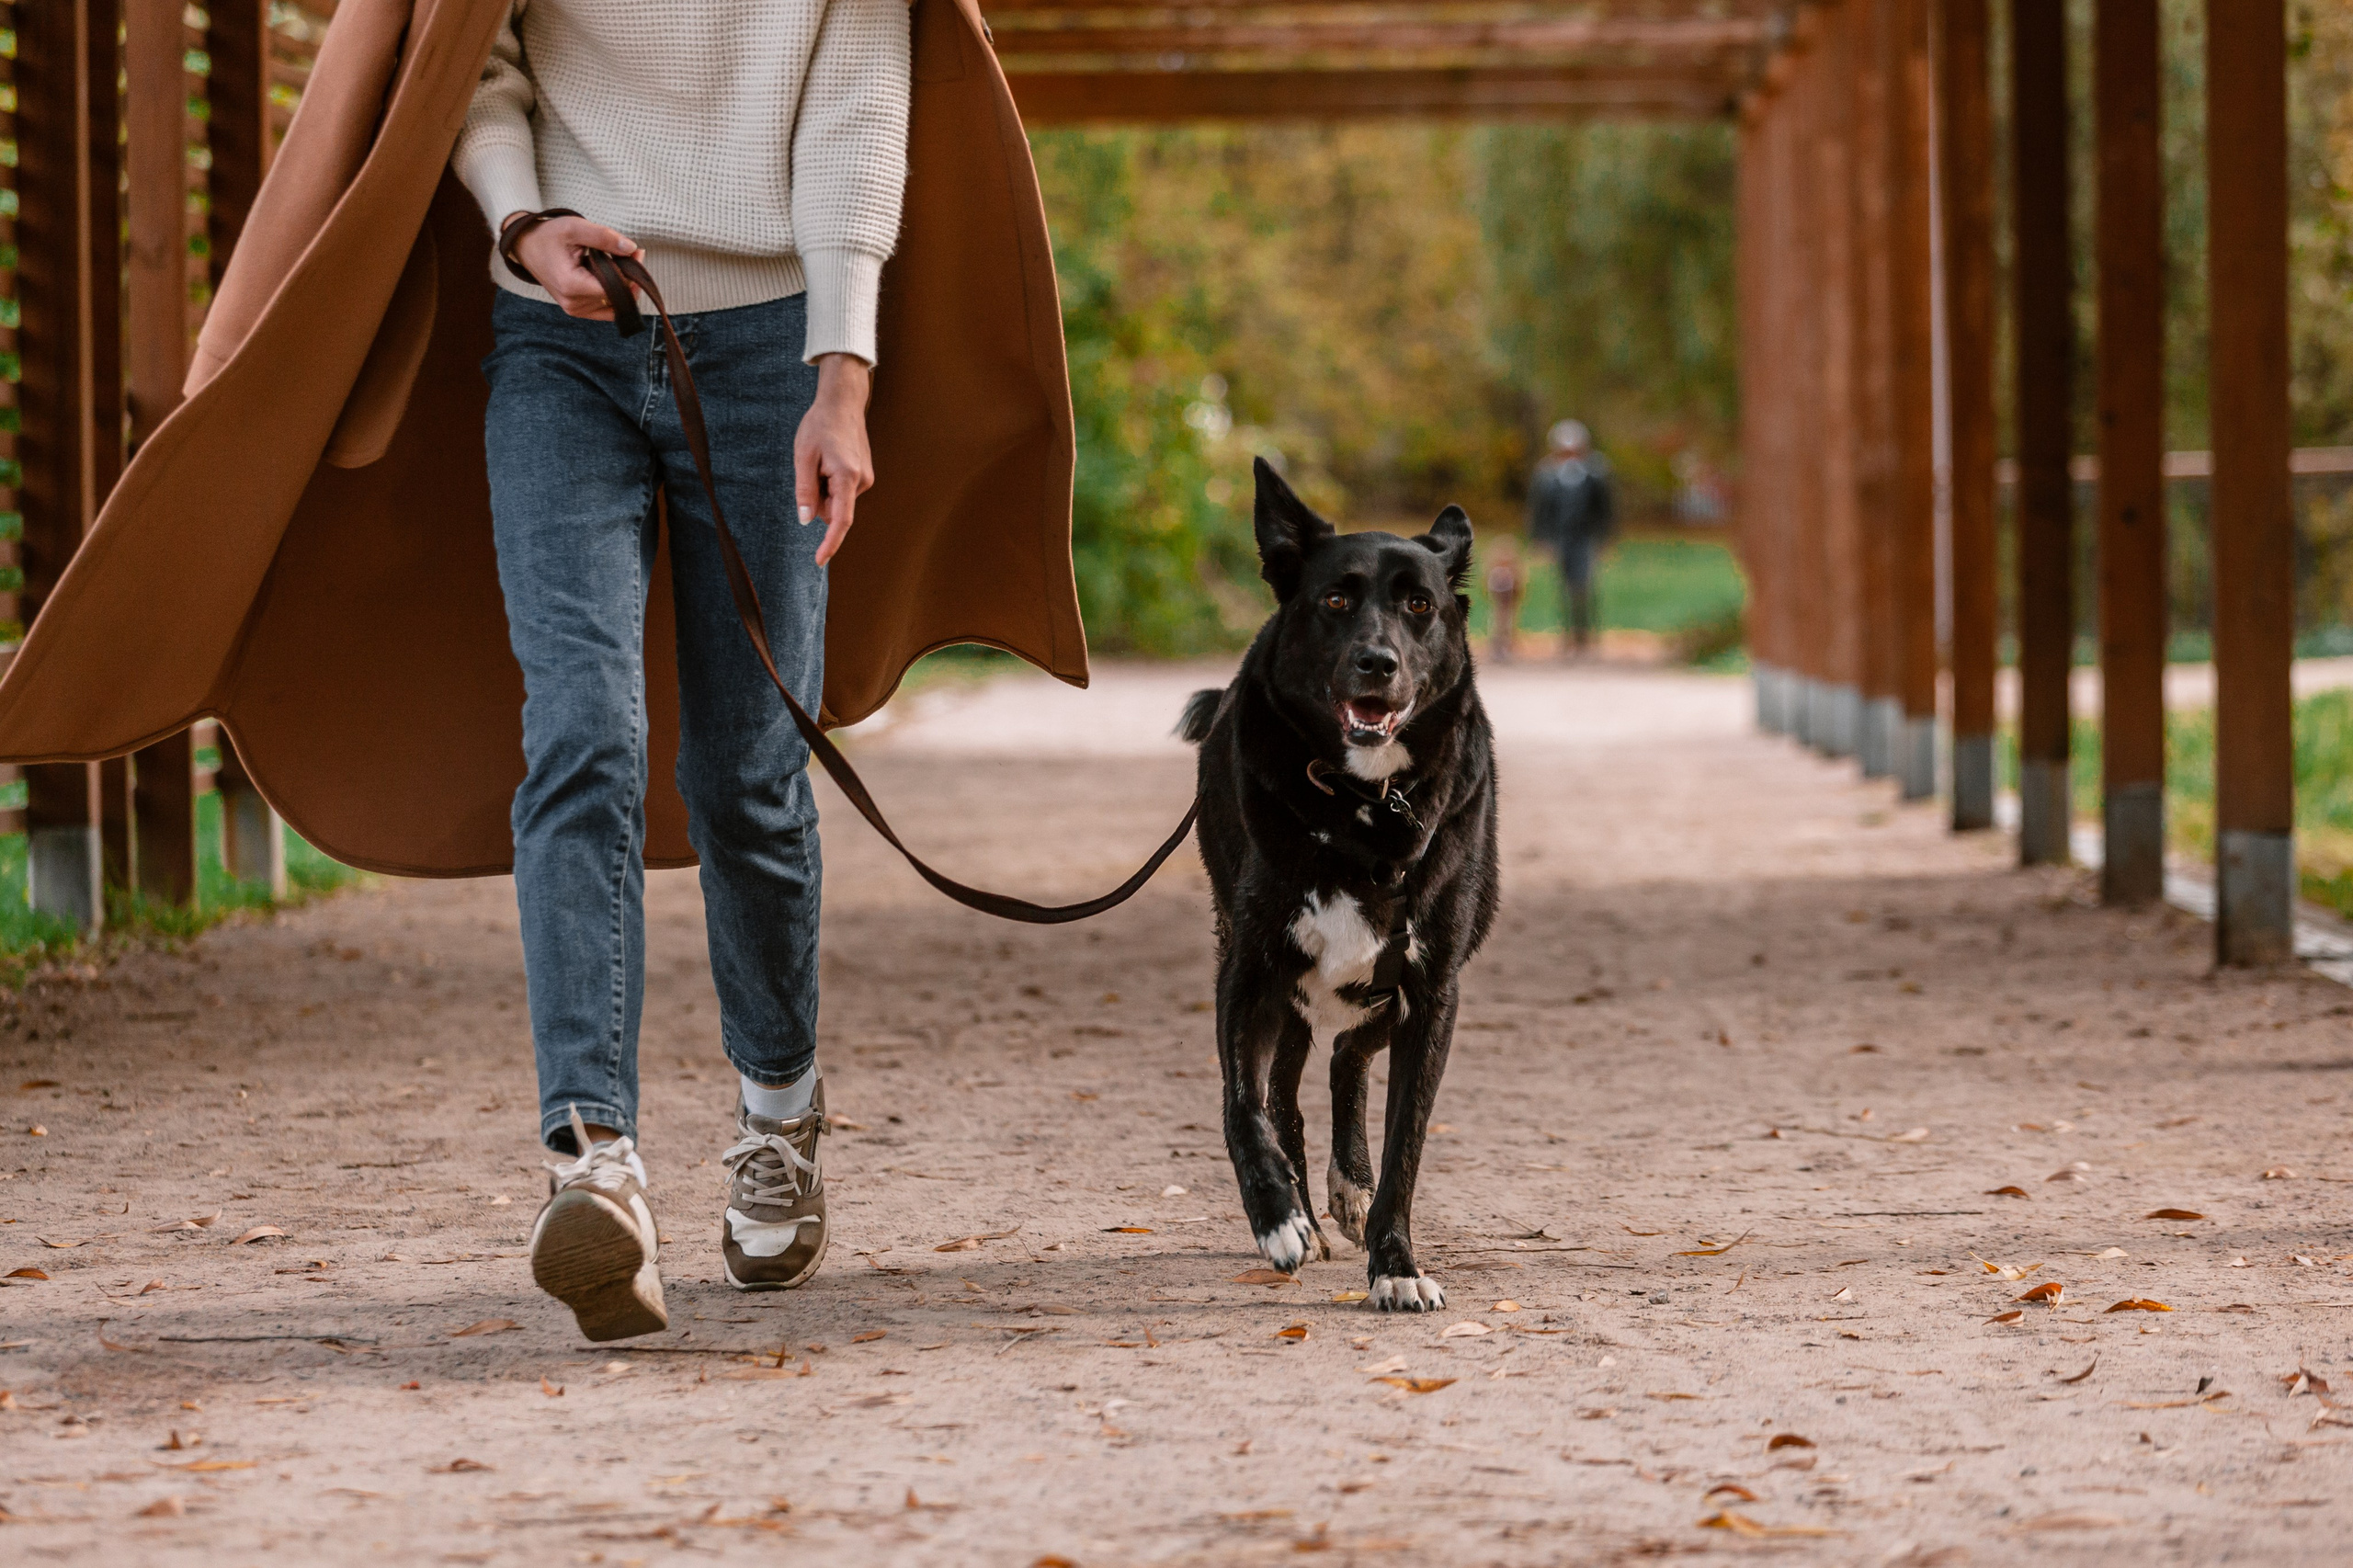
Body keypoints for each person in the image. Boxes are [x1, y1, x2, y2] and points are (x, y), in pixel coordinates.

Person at [451, 0, 910, 1338]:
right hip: (555, 331)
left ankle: (778, 1109)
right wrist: (518, 221)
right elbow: (468, 58)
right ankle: (592, 1158)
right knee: (583, 726)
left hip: (774, 346)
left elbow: (859, 113)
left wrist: (845, 373)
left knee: (747, 770)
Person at [1526, 419, 1616, 655]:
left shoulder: (1595, 473)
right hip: (1560, 537)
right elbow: (1539, 511)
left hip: (1585, 537)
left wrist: (1605, 538)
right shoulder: (1546, 476)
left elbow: (1605, 509)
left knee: (1584, 585)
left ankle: (1586, 635)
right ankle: (1568, 636)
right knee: (1564, 586)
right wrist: (1541, 539)